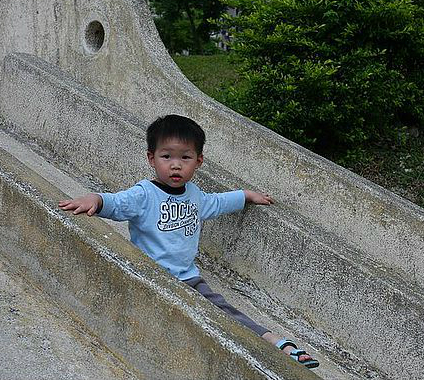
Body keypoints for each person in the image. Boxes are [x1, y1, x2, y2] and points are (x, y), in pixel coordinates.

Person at [58, 114, 319, 369]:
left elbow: (216, 203)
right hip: (150, 275)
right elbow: (117, 202)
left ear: (199, 161)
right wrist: (95, 199)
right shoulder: (144, 194)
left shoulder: (194, 194)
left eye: (185, 157)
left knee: (224, 312)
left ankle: (274, 342)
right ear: (151, 158)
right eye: (166, 156)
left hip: (188, 279)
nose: (175, 165)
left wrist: (246, 195)